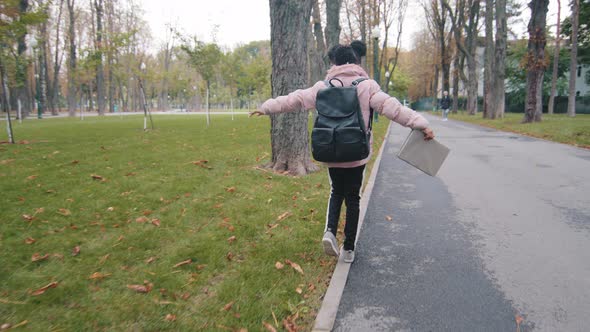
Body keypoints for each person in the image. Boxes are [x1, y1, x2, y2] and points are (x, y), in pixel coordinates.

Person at [249, 42, 434, 263]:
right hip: (357, 153)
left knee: (336, 191)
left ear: (334, 63)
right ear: (357, 62)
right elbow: (392, 107)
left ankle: (329, 232)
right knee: (353, 198)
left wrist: (266, 107)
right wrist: (420, 123)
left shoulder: (322, 86)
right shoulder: (367, 86)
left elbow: (295, 99)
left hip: (331, 150)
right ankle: (348, 249)